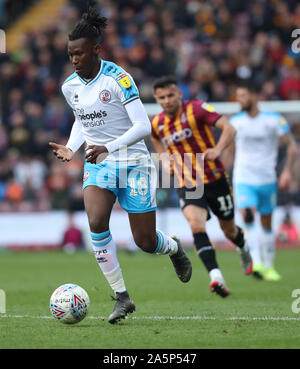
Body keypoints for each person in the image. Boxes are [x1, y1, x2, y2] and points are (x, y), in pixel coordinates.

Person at [49, 7, 192, 324]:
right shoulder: (69, 86)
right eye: (71, 54)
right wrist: (72, 148)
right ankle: (122, 297)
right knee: (97, 222)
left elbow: (144, 127)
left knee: (145, 241)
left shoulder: (119, 79)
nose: (74, 60)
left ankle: (173, 248)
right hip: (98, 165)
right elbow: (81, 120)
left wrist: (107, 146)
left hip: (134, 164)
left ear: (96, 50)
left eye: (80, 54)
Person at [150, 76, 252, 298]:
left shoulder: (197, 109)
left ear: (179, 94)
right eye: (162, 98)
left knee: (229, 231)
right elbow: (156, 138)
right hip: (188, 183)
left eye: (170, 95)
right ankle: (216, 277)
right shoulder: (157, 123)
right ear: (157, 99)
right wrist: (165, 160)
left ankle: (243, 247)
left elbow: (230, 129)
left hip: (215, 179)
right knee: (196, 225)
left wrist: (218, 149)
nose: (167, 101)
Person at [228, 82, 297, 281]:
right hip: (244, 178)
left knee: (266, 223)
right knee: (248, 216)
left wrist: (287, 173)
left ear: (254, 96)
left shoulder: (274, 120)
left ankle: (269, 267)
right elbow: (230, 152)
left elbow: (292, 147)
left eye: (242, 96)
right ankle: (256, 262)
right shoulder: (236, 121)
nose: (239, 100)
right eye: (237, 96)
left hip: (267, 178)